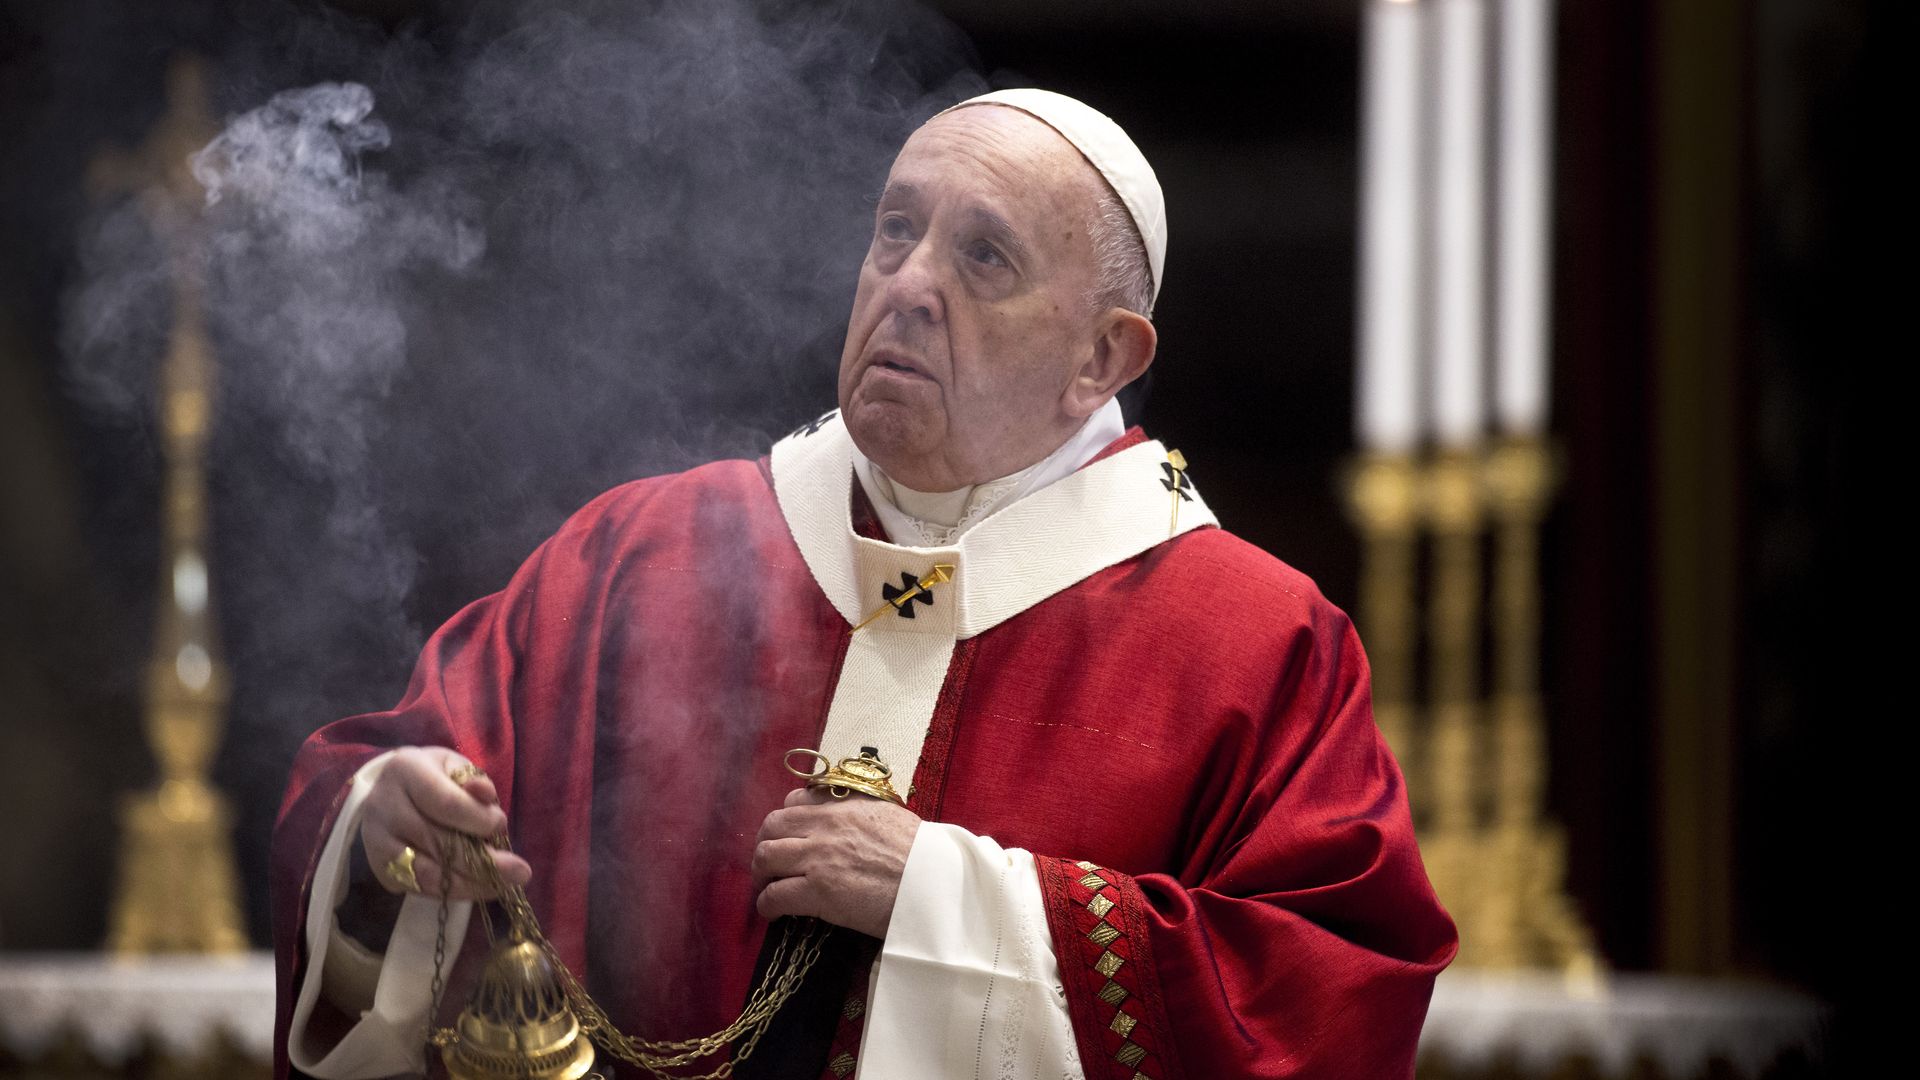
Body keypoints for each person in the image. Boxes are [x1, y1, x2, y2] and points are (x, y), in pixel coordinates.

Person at [272, 88, 1457, 1080]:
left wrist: (943, 898)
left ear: (1103, 358)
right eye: (896, 230)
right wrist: (384, 832)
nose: (910, 284)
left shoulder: (1251, 643)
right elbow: (381, 786)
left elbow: (1326, 1002)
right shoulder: (646, 553)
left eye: (982, 255)